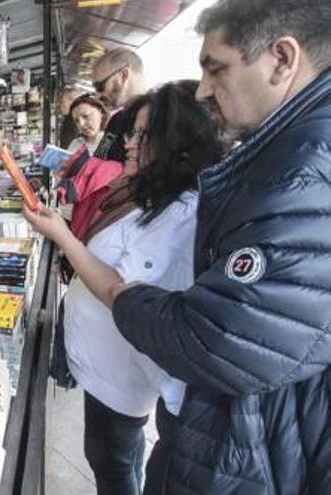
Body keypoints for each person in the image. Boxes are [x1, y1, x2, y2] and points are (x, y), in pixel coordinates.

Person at [94, 0, 331, 493]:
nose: (204, 89)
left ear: (282, 59)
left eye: (215, 68)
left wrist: (123, 295)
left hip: (253, 449)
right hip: (251, 436)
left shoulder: (303, 170)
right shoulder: (287, 156)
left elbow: (216, 340)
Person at [23, 81, 223, 495]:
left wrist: (63, 237)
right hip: (106, 376)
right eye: (131, 132)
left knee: (113, 463)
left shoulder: (180, 217)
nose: (129, 142)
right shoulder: (151, 198)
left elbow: (121, 290)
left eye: (142, 135)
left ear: (175, 142)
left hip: (120, 382)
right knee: (111, 458)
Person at [91, 48, 149, 162]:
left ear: (123, 75)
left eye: (100, 86)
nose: (97, 97)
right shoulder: (115, 121)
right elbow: (99, 158)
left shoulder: (163, 115)